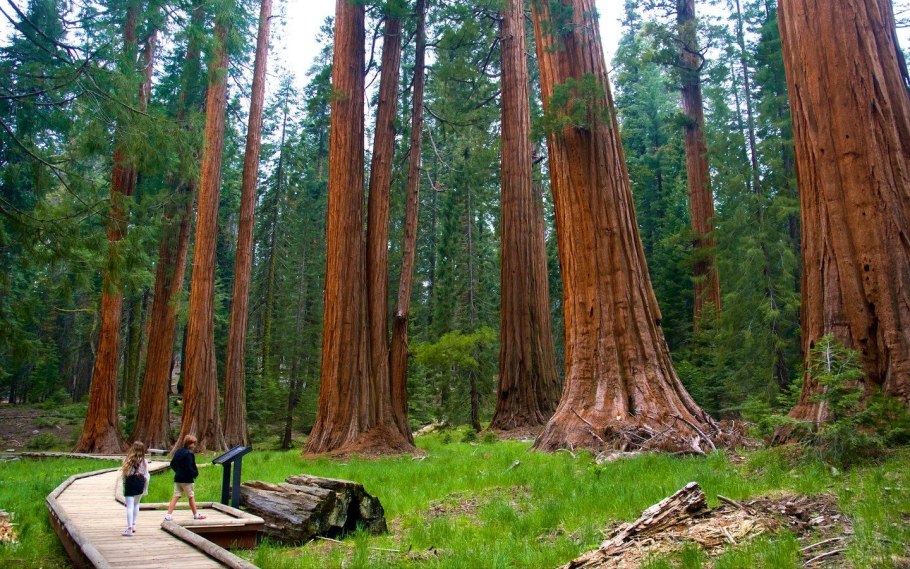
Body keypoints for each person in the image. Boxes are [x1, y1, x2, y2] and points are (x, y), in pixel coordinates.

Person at [164, 435, 206, 521]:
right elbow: (190, 467)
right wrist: (194, 474)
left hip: (178, 478)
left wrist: (178, 471)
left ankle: (168, 515)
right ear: (190, 444)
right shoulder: (189, 454)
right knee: (191, 496)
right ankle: (196, 515)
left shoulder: (178, 451)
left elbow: (172, 464)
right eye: (193, 443)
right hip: (187, 480)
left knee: (176, 496)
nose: (194, 445)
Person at [121, 441, 150, 537]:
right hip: (140, 482)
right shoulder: (144, 462)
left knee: (129, 506)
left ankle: (129, 529)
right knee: (136, 503)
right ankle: (133, 524)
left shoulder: (128, 460)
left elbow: (125, 474)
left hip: (130, 482)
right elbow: (146, 474)